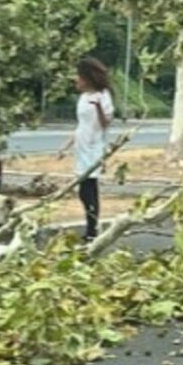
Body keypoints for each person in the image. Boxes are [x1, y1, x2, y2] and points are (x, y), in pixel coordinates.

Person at [58, 56, 116, 240]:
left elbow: (105, 123)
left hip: (93, 147)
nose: (76, 80)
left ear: (88, 78)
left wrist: (99, 108)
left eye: (79, 77)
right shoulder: (83, 97)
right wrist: (66, 146)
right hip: (81, 145)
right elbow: (81, 125)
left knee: (88, 189)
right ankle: (91, 228)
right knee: (85, 190)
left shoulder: (103, 95)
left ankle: (92, 230)